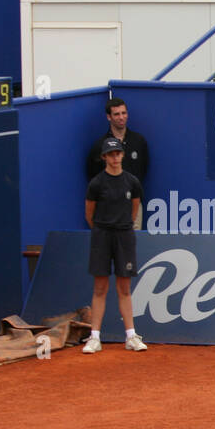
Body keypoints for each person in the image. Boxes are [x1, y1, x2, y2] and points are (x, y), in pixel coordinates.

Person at [82, 138, 146, 355]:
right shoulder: (97, 184)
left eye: (118, 153)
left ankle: (130, 336)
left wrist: (122, 226)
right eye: (111, 154)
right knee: (100, 287)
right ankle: (95, 337)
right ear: (104, 158)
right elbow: (89, 214)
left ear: (122, 155)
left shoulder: (132, 182)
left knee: (124, 288)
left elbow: (134, 209)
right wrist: (102, 229)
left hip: (124, 236)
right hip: (101, 236)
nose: (115, 157)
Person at [86, 97, 149, 185]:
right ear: (109, 117)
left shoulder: (139, 141)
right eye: (116, 114)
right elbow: (93, 178)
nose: (121, 117)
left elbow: (143, 170)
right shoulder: (100, 146)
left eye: (124, 113)